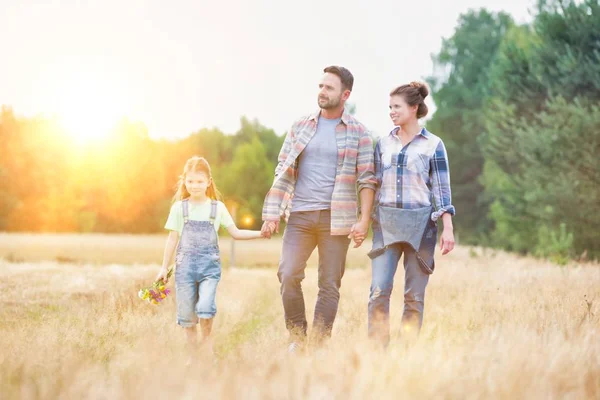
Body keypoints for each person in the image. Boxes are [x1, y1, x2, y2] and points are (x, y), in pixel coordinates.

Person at [261, 66, 377, 352]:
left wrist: (363, 220)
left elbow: (366, 180)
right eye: (321, 86)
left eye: (329, 88)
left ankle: (318, 346)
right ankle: (297, 339)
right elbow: (283, 169)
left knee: (329, 284)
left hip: (336, 219)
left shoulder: (359, 133)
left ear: (345, 94)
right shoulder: (301, 125)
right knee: (288, 274)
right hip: (299, 215)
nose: (322, 92)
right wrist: (272, 212)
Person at [368, 82, 456, 347]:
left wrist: (448, 228)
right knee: (378, 292)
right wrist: (363, 220)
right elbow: (374, 183)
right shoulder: (383, 143)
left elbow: (442, 189)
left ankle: (407, 354)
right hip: (386, 224)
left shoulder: (433, 145)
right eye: (390, 107)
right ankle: (376, 352)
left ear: (414, 108)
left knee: (414, 297)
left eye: (397, 106)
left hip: (422, 228)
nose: (392, 112)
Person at [156, 156, 266, 362]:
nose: (194, 186)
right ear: (184, 182)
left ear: (208, 182)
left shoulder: (217, 208)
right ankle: (193, 356)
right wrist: (163, 268)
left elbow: (236, 233)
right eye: (190, 181)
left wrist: (262, 233)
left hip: (209, 269)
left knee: (205, 307)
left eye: (199, 181)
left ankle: (207, 348)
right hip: (184, 269)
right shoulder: (180, 208)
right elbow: (172, 239)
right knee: (187, 314)